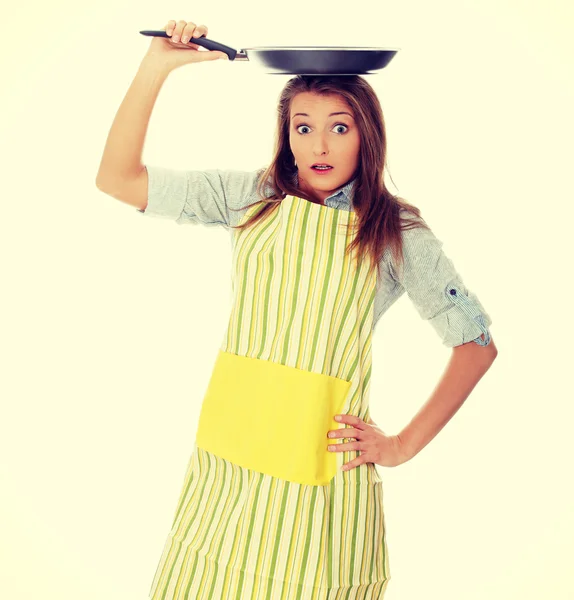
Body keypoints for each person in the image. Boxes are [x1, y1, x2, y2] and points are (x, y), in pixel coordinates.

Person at [96, 18, 498, 600]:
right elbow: (117, 179)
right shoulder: (250, 197)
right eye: (302, 127)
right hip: (229, 463)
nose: (320, 145)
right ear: (285, 135)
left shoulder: (396, 230)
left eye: (340, 127)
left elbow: (476, 345)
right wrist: (155, 68)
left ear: (368, 133)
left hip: (320, 471)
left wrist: (400, 446)